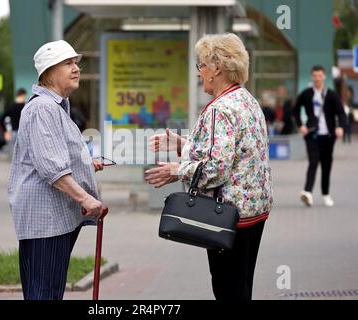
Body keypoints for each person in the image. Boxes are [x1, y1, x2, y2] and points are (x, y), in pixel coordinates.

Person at [145, 33, 273, 301]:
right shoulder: (246, 100)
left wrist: (176, 170)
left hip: (227, 217)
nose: (199, 72)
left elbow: (217, 167)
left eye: (201, 65)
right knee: (241, 287)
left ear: (217, 68)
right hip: (253, 212)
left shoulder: (220, 109)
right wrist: (182, 143)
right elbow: (237, 152)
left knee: (228, 290)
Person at [7, 40, 106, 300]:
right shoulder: (43, 108)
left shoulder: (56, 106)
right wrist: (86, 198)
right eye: (68, 63)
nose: (76, 69)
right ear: (49, 72)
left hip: (51, 219)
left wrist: (86, 164)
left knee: (45, 290)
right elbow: (51, 168)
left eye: (77, 63)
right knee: (45, 293)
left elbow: (53, 155)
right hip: (45, 221)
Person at [293, 65, 347, 207]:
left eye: (319, 76)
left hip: (328, 136)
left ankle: (325, 194)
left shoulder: (331, 95)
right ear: (312, 77)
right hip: (312, 135)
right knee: (313, 161)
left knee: (327, 165)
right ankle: (308, 192)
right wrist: (300, 125)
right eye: (315, 76)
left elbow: (341, 113)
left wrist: (340, 127)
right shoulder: (306, 94)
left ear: (324, 77)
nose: (317, 78)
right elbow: (295, 110)